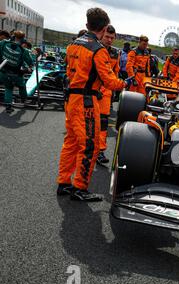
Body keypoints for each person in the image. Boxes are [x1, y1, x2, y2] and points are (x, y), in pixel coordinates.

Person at [57, 8, 131, 202]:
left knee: (71, 142)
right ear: (105, 27)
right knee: (90, 145)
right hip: (87, 101)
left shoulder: (73, 45)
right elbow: (109, 81)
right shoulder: (98, 50)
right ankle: (79, 188)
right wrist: (125, 83)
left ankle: (63, 182)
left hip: (71, 100)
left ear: (87, 24)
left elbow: (67, 71)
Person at [97, 25, 120, 165]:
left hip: (106, 92)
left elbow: (115, 73)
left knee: (103, 121)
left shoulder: (115, 53)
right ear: (102, 34)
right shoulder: (94, 48)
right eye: (107, 37)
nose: (109, 40)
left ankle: (100, 151)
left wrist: (116, 89)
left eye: (112, 38)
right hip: (91, 90)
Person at [0, 31, 33, 113]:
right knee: (22, 86)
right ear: (22, 39)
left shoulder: (3, 43)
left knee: (8, 88)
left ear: (13, 36)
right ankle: (24, 100)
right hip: (15, 74)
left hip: (3, 71)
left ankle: (8, 106)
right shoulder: (23, 50)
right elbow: (30, 62)